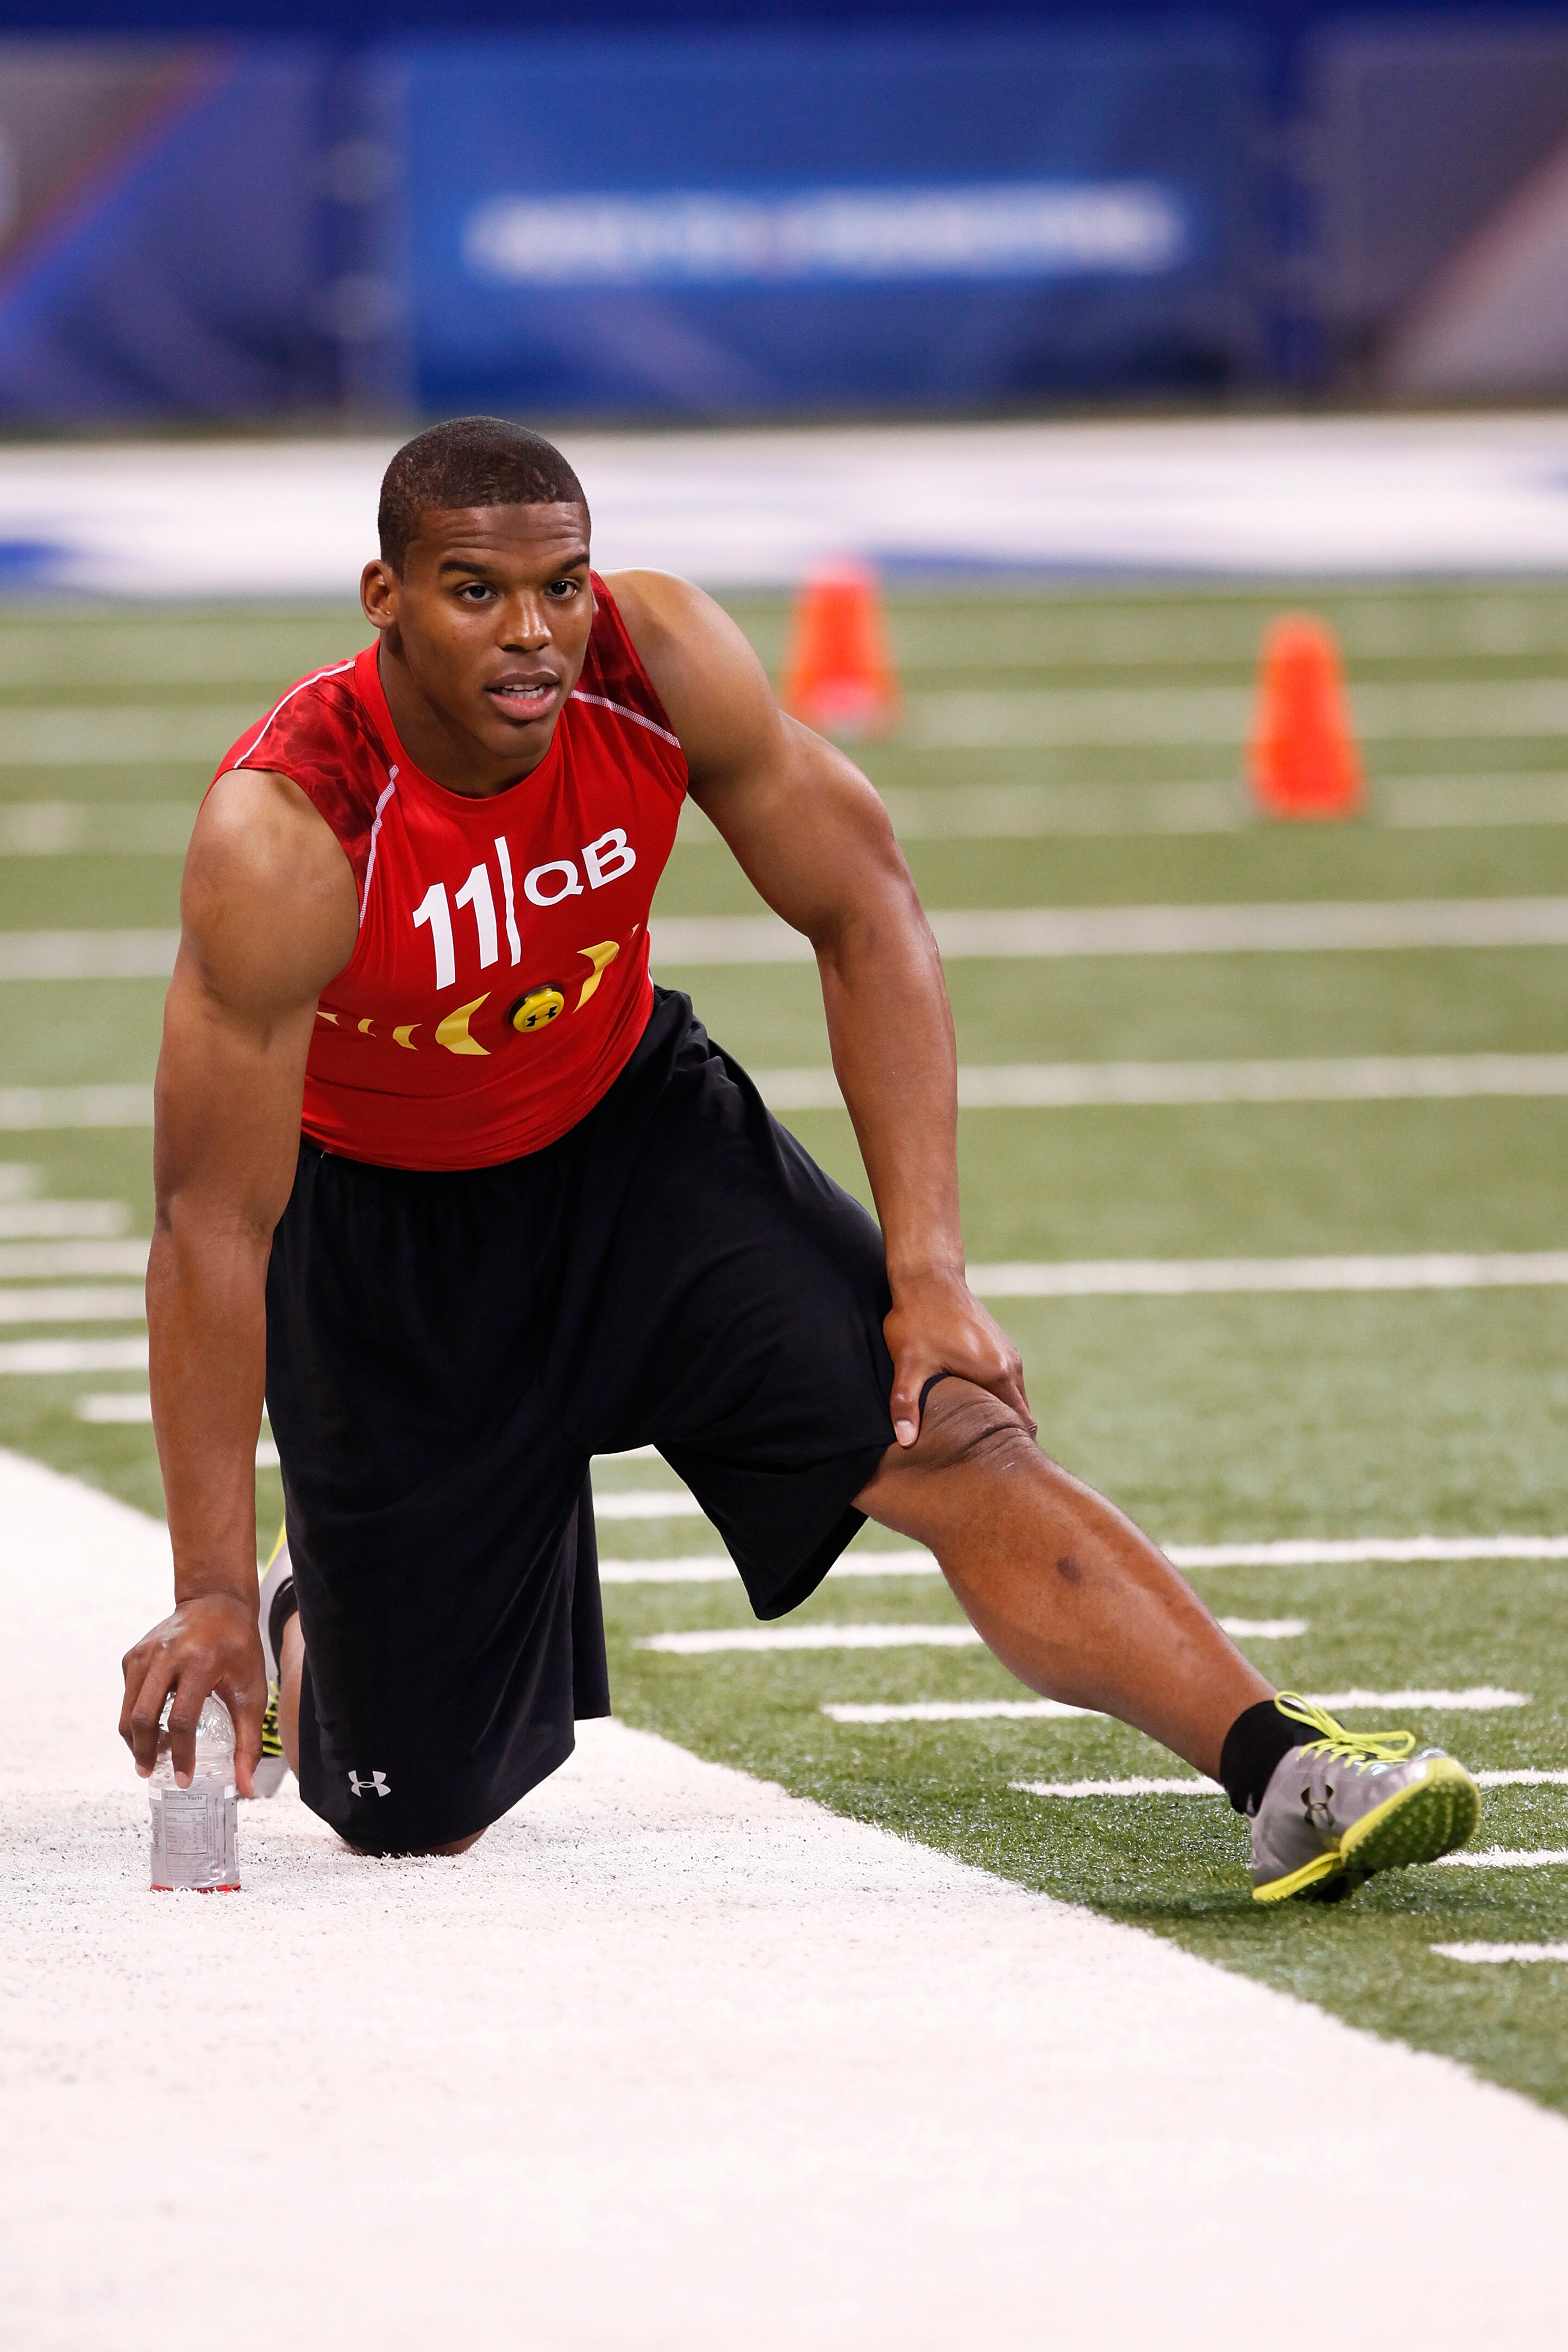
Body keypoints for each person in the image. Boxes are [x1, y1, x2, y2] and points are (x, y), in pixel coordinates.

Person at [120, 417, 1478, 1901]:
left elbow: (866, 907)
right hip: (392, 1233)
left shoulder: (657, 662)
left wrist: (931, 1270)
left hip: (632, 1146)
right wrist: (211, 1590)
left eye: (562, 586)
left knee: (947, 1427)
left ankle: (1280, 1764)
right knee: (414, 1814)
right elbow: (212, 1226)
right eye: (475, 591)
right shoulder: (290, 827)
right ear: (383, 598)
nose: (535, 634)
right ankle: (322, 1612)